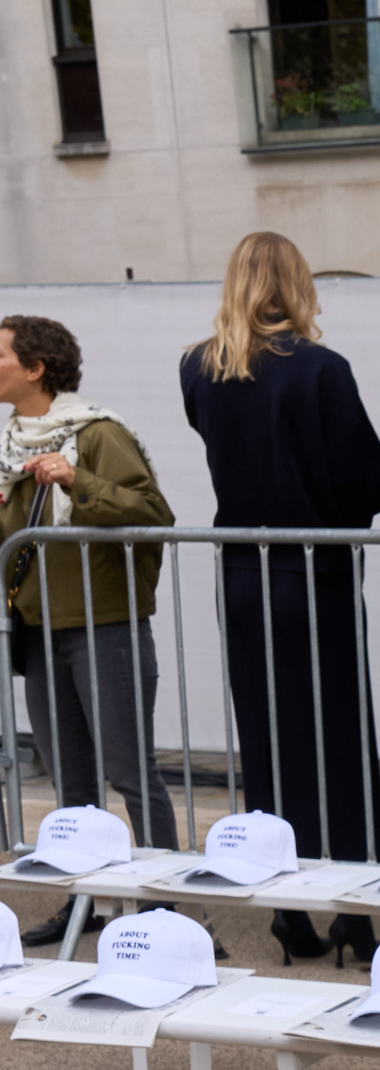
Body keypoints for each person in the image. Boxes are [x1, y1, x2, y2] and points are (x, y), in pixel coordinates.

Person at [181, 233, 380, 965]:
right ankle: (355, 916)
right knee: (339, 743)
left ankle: (287, 908)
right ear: (298, 284)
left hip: (242, 577)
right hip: (317, 575)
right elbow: (365, 475)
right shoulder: (321, 370)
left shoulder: (199, 368)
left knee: (268, 743)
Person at [1, 314, 179, 951]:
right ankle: (83, 906)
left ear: (35, 368)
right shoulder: (8, 448)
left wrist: (78, 478)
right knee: (70, 782)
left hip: (105, 626)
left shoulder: (97, 433)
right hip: (40, 632)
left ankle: (166, 911)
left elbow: (153, 513)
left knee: (131, 774)